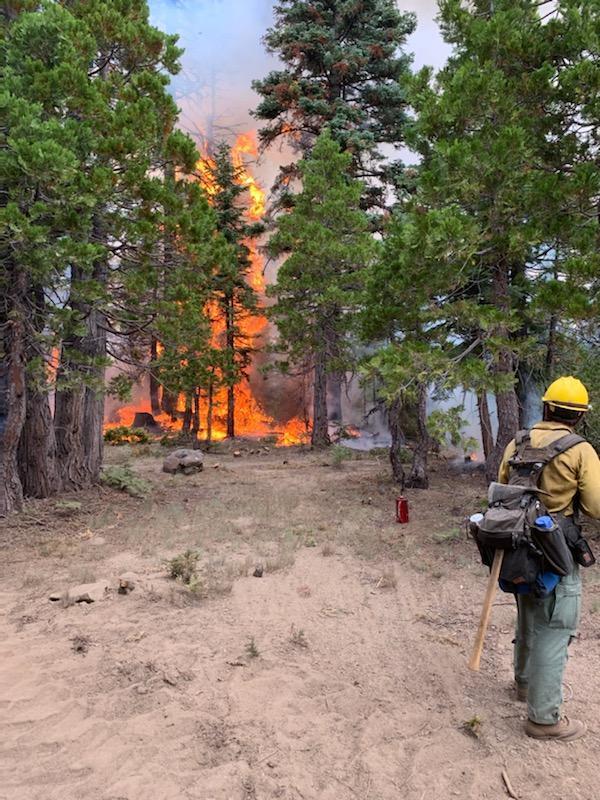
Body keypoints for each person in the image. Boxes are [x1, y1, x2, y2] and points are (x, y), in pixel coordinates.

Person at [498, 376, 600, 741]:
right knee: (555, 626)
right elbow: (594, 506)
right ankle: (543, 719)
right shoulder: (580, 450)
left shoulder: (517, 442)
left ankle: (524, 685)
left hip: (517, 547)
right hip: (556, 549)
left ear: (545, 407)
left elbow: (502, 489)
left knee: (527, 611)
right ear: (578, 417)